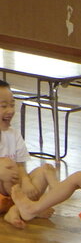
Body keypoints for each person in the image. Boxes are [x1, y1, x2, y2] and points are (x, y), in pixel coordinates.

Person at [0, 79, 53, 218]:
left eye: (12, 105)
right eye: (3, 106)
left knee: (45, 171)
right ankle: (27, 208)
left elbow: (20, 166)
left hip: (15, 193)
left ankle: (18, 209)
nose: (10, 111)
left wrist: (26, 181)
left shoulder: (14, 134)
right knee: (5, 164)